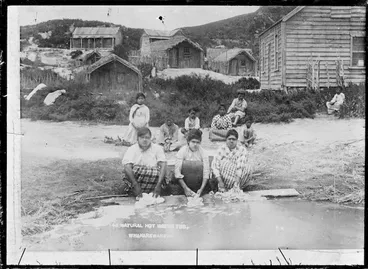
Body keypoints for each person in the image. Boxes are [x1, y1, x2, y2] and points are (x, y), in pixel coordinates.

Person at [122, 127, 167, 198]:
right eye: (142, 137)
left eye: (147, 137)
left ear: (150, 138)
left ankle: (153, 192)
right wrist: (135, 185)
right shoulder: (132, 149)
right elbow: (127, 167)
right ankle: (135, 191)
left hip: (153, 180)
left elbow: (163, 165)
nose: (145, 140)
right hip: (137, 180)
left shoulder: (157, 148)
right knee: (134, 170)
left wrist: (158, 185)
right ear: (137, 138)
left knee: (157, 172)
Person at [174, 129, 210, 197]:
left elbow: (206, 172)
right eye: (193, 142)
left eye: (198, 142)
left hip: (199, 183)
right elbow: (177, 172)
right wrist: (185, 188)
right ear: (188, 141)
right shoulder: (182, 151)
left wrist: (201, 189)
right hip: (184, 183)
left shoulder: (203, 153)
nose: (195, 144)